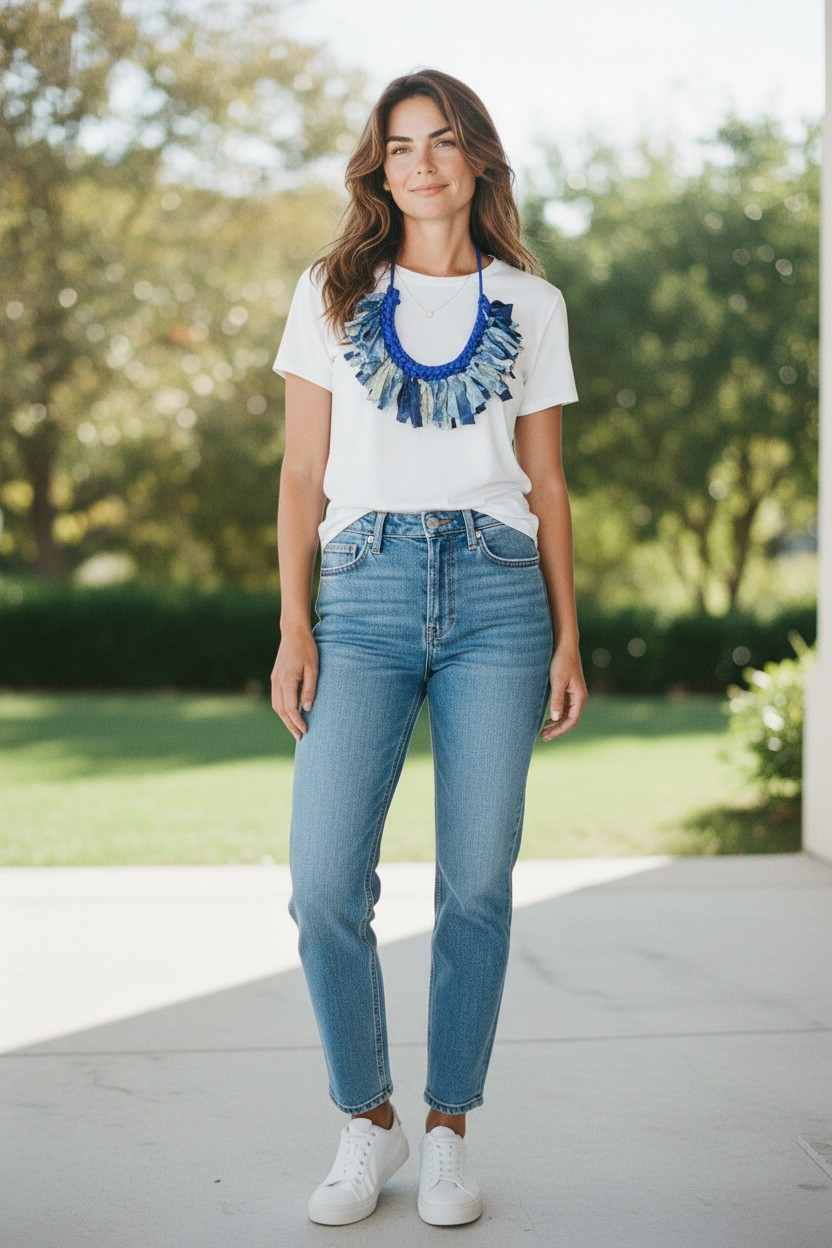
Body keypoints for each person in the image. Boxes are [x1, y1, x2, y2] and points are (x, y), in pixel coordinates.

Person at [270, 67, 587, 1228]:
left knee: (477, 885)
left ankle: (448, 1127)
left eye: (442, 141)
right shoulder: (331, 292)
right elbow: (303, 474)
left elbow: (547, 481)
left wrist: (566, 635)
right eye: (399, 145)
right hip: (359, 592)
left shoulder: (532, 305)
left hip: (502, 600)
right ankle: (369, 1118)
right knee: (319, 887)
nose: (421, 162)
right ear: (379, 168)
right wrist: (294, 626)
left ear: (477, 161)